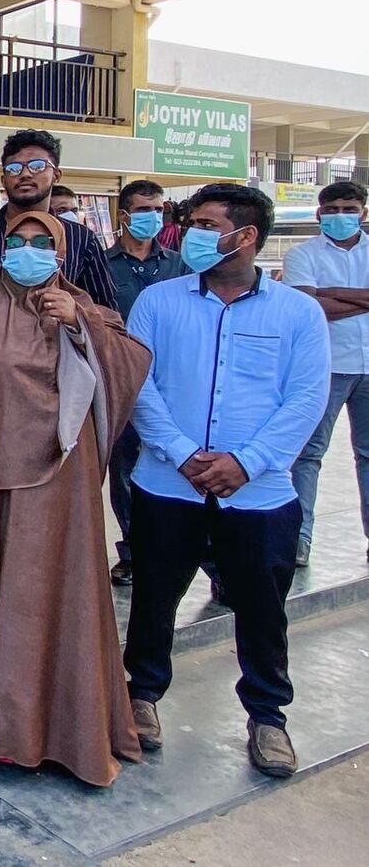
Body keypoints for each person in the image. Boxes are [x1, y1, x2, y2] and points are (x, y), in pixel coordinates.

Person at [0, 210, 151, 787]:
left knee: (54, 601)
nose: (29, 251)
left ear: (61, 252)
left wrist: (81, 325)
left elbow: (131, 363)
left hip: (63, 484)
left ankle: (63, 730)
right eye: (19, 242)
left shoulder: (80, 305)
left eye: (43, 243)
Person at [125, 184, 329, 779]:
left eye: (207, 225)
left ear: (246, 236)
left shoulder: (297, 313)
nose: (191, 233)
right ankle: (142, 696)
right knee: (154, 598)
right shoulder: (159, 303)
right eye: (191, 222)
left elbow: (305, 399)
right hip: (168, 485)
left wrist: (247, 462)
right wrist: (184, 453)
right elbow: (139, 384)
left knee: (262, 609)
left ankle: (267, 716)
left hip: (258, 495)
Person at [103, 179, 185, 585]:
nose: (151, 217)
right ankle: (133, 553)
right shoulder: (102, 265)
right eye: (142, 210)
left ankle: (205, 560)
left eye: (157, 210)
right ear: (123, 215)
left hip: (174, 382)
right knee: (125, 469)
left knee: (181, 462)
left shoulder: (178, 265)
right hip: (122, 383)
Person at [285, 180, 369, 567]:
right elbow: (309, 306)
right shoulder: (303, 254)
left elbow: (321, 300)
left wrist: (331, 292)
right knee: (308, 455)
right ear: (319, 213)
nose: (340, 216)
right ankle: (299, 539)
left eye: (349, 209)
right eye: (332, 209)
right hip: (325, 368)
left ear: (363, 213)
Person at [0, 129, 119, 311]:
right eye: (14, 168)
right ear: (3, 180)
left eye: (37, 166)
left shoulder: (81, 240)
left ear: (56, 175)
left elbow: (106, 313)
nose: (25, 174)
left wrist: (75, 314)